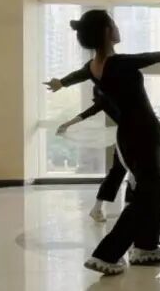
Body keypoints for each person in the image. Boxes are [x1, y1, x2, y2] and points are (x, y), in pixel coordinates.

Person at [61, 8, 160, 275]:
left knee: (154, 188)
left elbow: (78, 76)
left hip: (129, 132)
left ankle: (146, 245)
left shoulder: (94, 68)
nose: (118, 28)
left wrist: (61, 82)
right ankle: (107, 254)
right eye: (114, 24)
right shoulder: (119, 62)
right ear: (106, 31)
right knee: (151, 192)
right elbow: (149, 57)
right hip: (142, 132)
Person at [46, 71, 129, 223]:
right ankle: (100, 209)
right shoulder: (110, 96)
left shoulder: (111, 95)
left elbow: (88, 112)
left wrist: (67, 124)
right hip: (128, 135)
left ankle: (102, 208)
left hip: (129, 134)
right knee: (122, 171)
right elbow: (88, 113)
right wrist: (67, 124)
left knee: (121, 172)